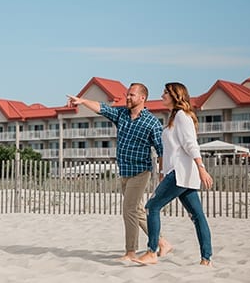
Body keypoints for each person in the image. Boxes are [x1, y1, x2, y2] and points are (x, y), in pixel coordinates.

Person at [67, 83, 172, 261]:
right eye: (127, 95)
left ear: (142, 98)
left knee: (129, 210)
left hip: (141, 171)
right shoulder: (122, 114)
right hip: (124, 170)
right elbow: (102, 108)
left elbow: (161, 150)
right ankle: (162, 242)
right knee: (137, 210)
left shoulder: (151, 122)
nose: (128, 98)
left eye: (131, 95)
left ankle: (130, 252)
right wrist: (83, 101)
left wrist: (162, 173)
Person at [133, 82, 214, 267]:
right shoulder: (174, 117)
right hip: (179, 174)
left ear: (175, 96)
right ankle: (206, 259)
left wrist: (201, 167)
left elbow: (190, 144)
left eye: (166, 93)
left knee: (151, 207)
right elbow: (171, 150)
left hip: (180, 174)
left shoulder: (182, 117)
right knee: (197, 216)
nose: (162, 95)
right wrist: (163, 171)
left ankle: (152, 251)